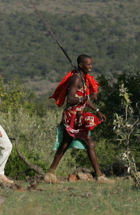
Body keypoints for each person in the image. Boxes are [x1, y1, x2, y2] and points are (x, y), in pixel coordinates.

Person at [44, 54, 114, 184]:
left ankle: (50, 173)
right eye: (88, 64)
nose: (91, 67)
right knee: (90, 143)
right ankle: (99, 176)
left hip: (78, 116)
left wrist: (97, 110)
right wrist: (88, 98)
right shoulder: (76, 79)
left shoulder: (83, 79)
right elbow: (70, 99)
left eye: (91, 64)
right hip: (72, 117)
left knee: (65, 144)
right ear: (81, 65)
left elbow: (84, 99)